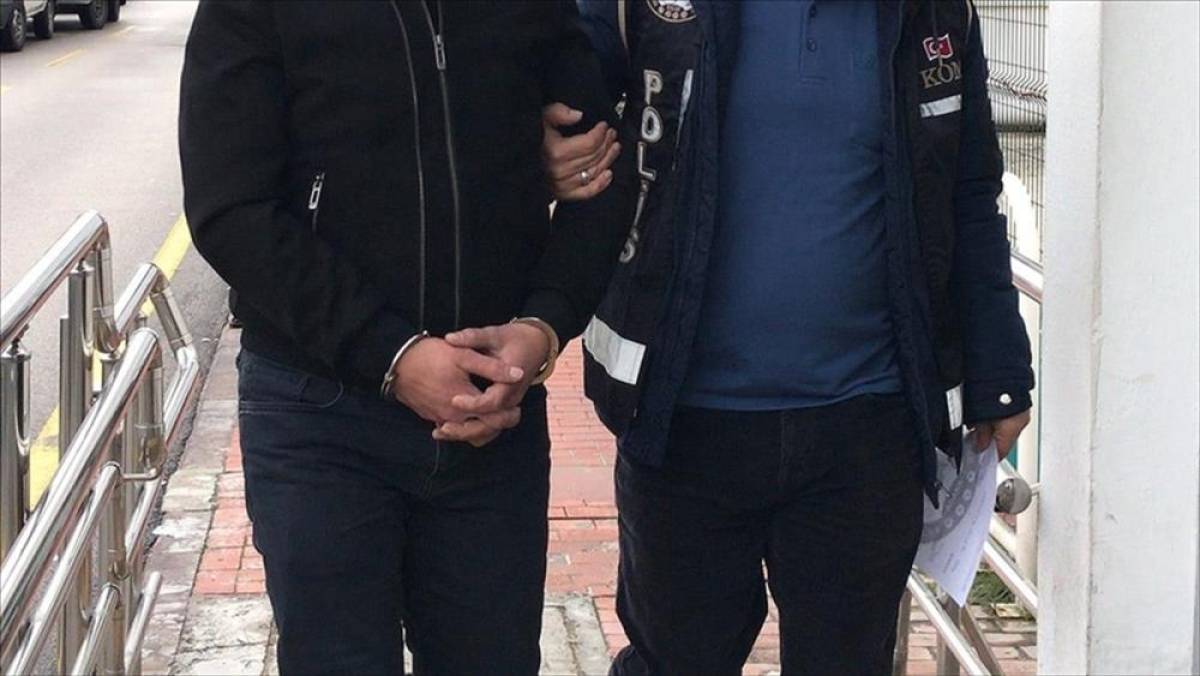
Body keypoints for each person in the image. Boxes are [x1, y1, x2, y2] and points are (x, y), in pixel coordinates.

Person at [542, 1, 1034, 673]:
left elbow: (970, 191)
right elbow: (551, 88)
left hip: (868, 433)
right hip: (682, 424)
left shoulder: (934, 13)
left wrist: (1001, 371)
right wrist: (533, 144)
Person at [179, 1, 633, 673]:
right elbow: (229, 208)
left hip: (492, 416)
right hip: (319, 416)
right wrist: (392, 354)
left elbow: (603, 168)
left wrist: (543, 327)